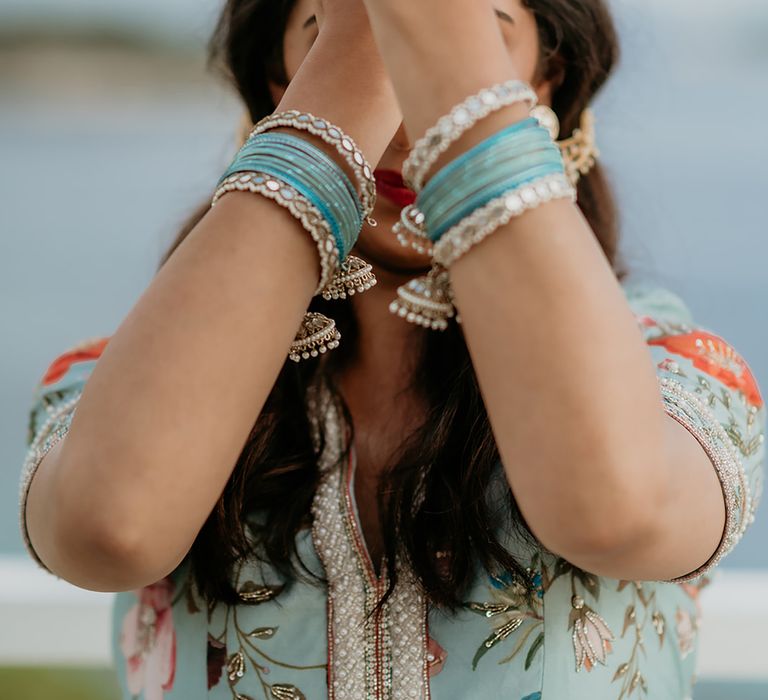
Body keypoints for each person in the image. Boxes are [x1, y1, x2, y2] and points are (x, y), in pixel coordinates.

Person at [18, 0, 766, 698]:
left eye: (480, 25)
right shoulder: (114, 380)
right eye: (327, 32)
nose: (406, 118)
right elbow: (109, 530)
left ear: (548, 79)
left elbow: (617, 513)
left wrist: (442, 61)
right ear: (281, 85)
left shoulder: (674, 366)